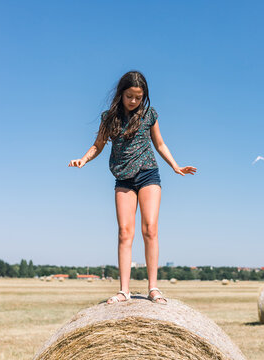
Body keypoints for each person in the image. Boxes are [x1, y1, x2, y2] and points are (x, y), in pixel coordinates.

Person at [68, 71, 196, 304]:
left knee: (150, 229)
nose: (134, 101)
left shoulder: (149, 115)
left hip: (148, 174)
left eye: (138, 97)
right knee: (125, 232)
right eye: (130, 96)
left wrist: (176, 166)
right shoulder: (109, 117)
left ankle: (153, 288)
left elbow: (160, 143)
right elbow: (98, 145)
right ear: (121, 94)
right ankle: (124, 290)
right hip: (123, 178)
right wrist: (84, 159)